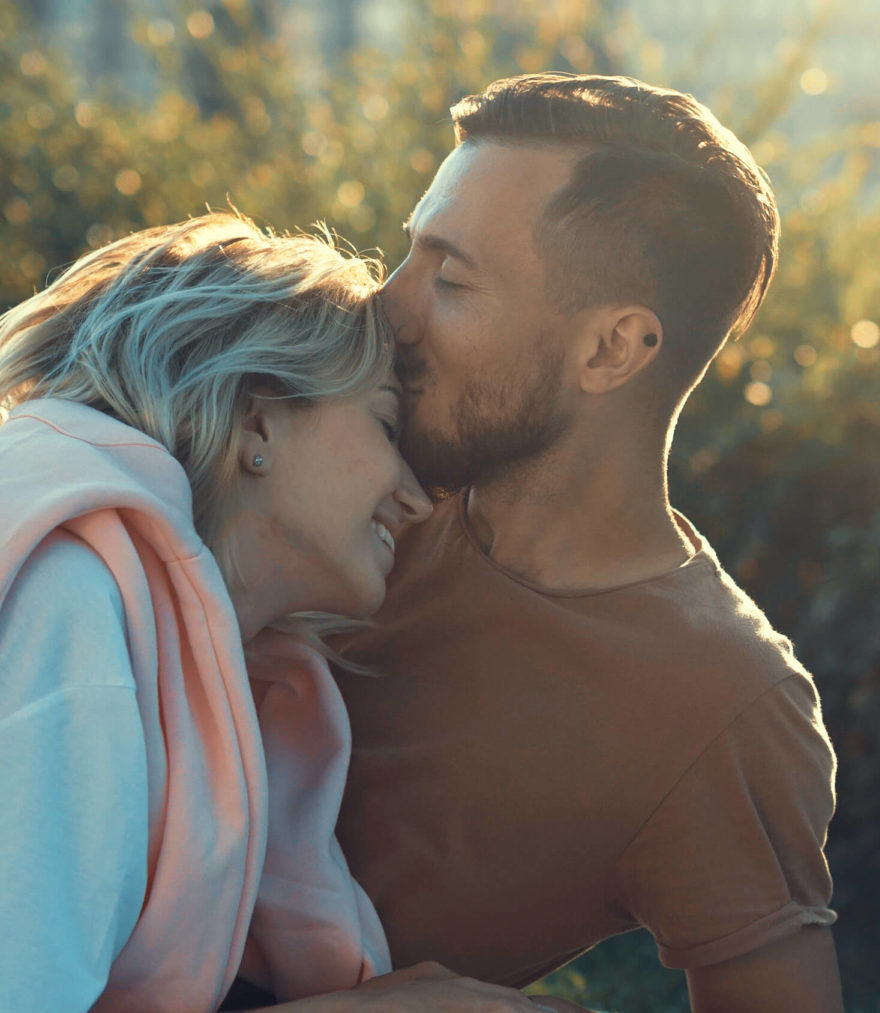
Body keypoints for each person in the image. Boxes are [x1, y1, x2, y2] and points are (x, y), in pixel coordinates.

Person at [0, 211, 578, 1012]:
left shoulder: (177, 661)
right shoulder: (71, 608)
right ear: (258, 420)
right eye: (388, 427)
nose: (414, 497)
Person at [302, 73, 843, 1012]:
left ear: (610, 350)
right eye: (409, 255)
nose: (388, 307)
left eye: (453, 278)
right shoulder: (333, 468)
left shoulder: (717, 702)